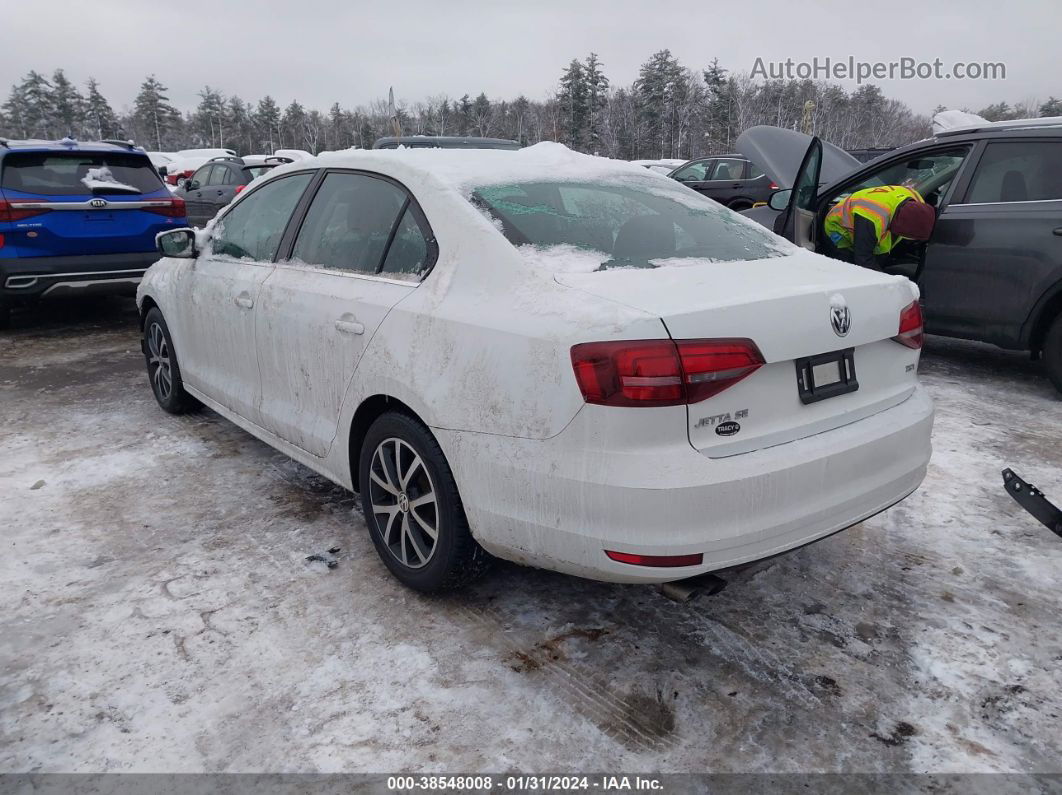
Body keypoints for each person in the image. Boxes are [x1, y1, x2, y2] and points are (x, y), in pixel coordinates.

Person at [823, 185, 937, 270]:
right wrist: (887, 284)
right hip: (839, 228)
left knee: (880, 255)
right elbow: (863, 259)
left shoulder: (916, 199)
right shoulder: (872, 216)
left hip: (874, 219)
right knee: (849, 268)